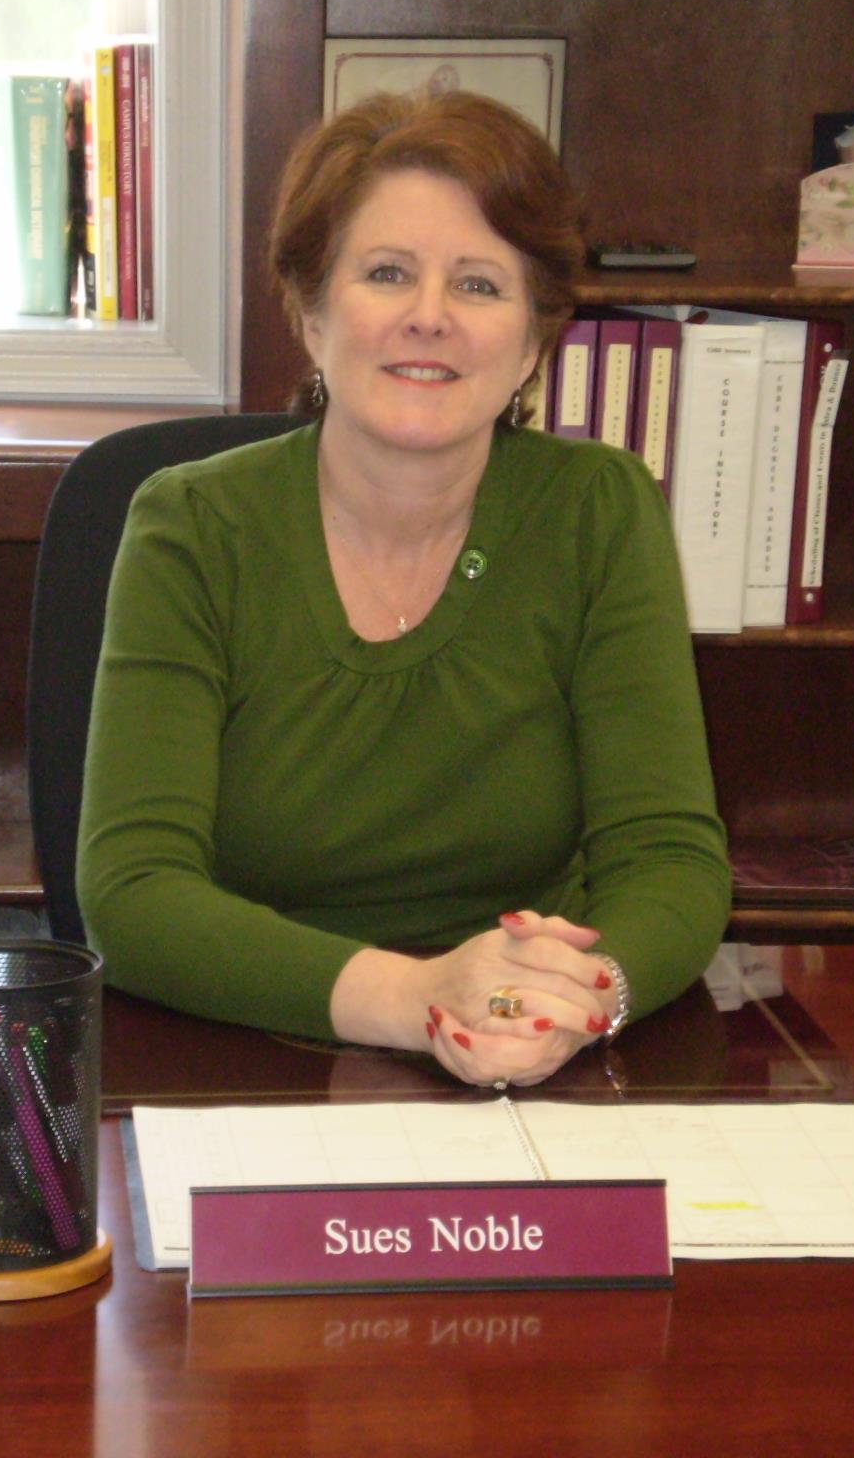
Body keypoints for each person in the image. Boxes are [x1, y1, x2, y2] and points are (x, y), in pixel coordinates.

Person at [76, 89, 731, 1088]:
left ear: (532, 339)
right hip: (243, 1051)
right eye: (386, 274)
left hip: (532, 1057)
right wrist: (420, 1000)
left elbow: (671, 862)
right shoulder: (194, 527)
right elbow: (130, 892)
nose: (429, 317)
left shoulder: (595, 511)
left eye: (477, 285)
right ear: (308, 311)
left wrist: (575, 994)